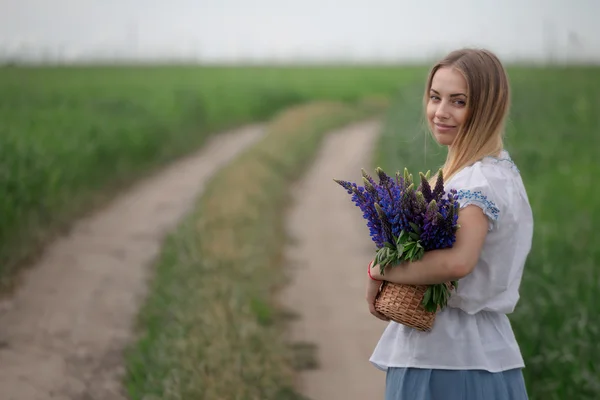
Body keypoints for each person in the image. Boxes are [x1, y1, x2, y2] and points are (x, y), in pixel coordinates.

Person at [366, 48, 533, 399]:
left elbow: (458, 261)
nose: (440, 112)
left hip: (445, 361)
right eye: (435, 97)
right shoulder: (500, 171)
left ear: (487, 108)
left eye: (458, 102)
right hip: (486, 353)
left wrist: (379, 270)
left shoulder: (477, 182)